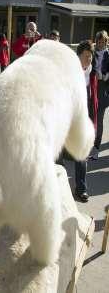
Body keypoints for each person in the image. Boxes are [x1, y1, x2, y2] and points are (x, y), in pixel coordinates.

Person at [57, 40, 97, 202]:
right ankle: (60, 189)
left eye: (91, 57)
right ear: (78, 56)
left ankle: (81, 189)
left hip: (82, 122)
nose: (89, 60)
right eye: (86, 56)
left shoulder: (91, 73)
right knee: (58, 156)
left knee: (82, 155)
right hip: (66, 121)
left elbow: (92, 99)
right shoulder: (69, 73)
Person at [89, 31, 109, 160]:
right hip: (92, 88)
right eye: (99, 41)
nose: (101, 44)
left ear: (107, 42)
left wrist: (107, 74)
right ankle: (86, 145)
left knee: (99, 121)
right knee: (90, 119)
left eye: (103, 42)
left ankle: (96, 148)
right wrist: (95, 73)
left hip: (103, 90)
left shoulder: (108, 54)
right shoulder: (92, 52)